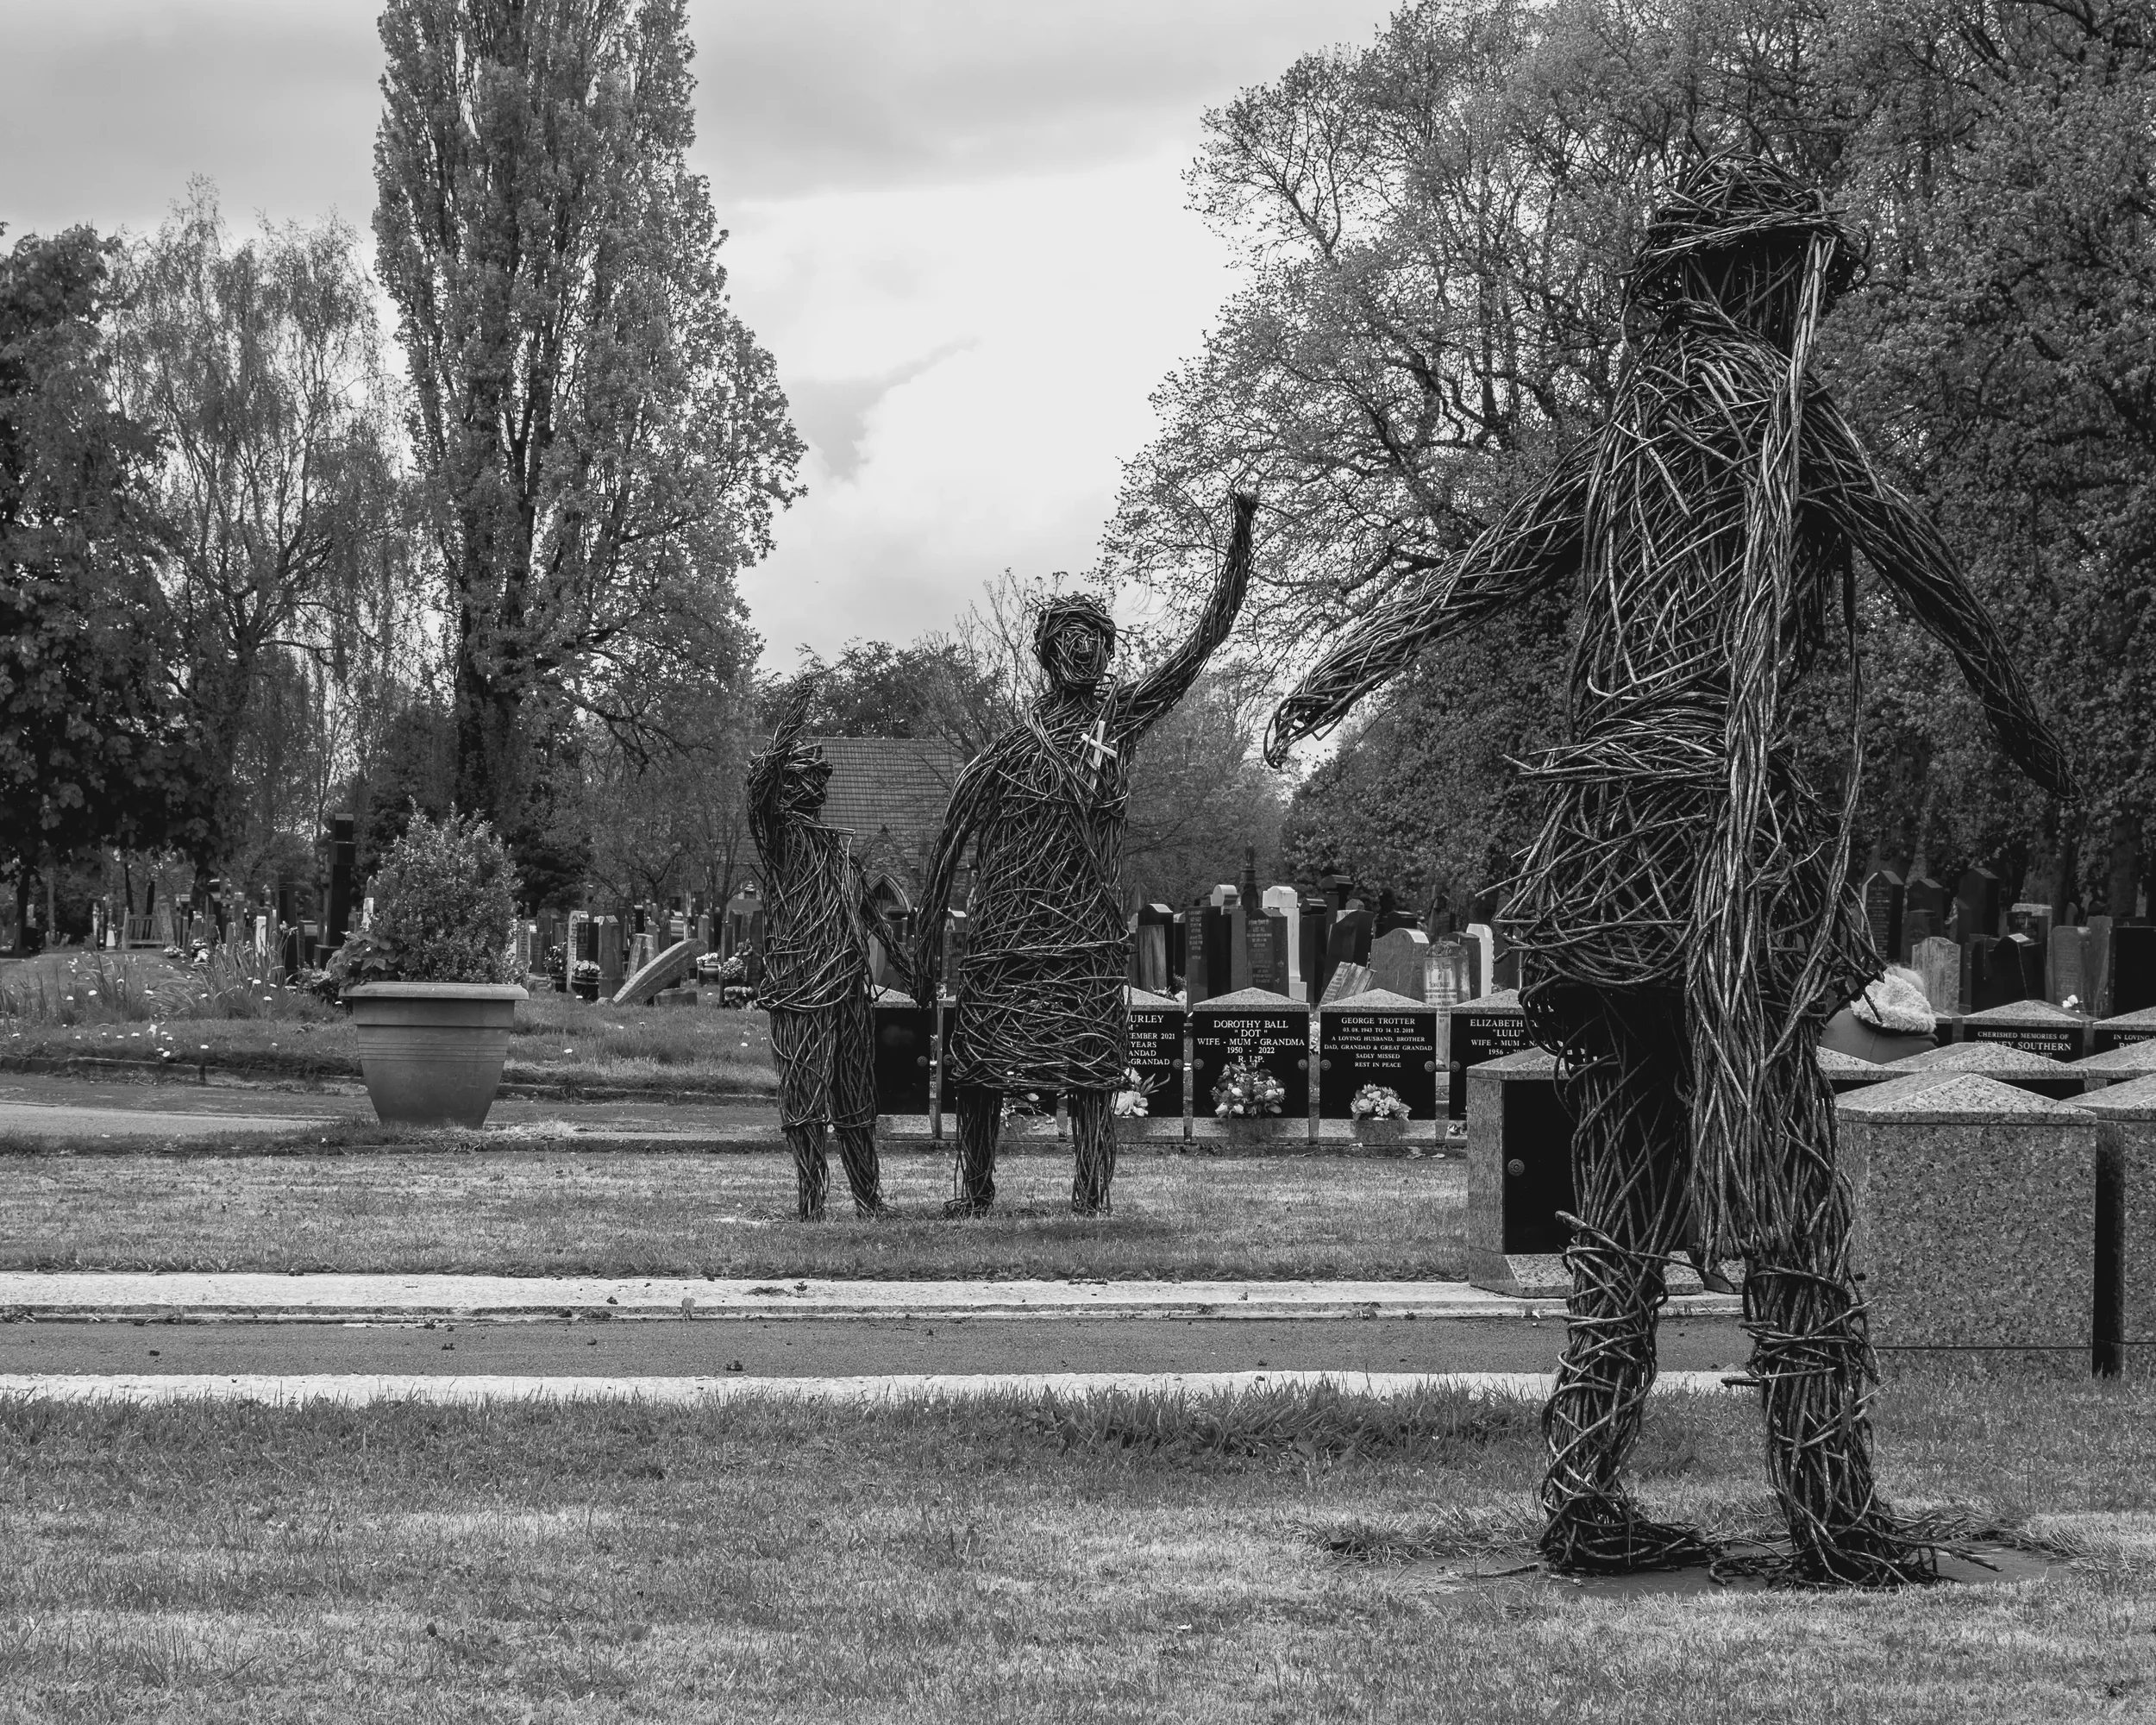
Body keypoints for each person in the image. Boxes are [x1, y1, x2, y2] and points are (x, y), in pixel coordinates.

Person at [1266, 156, 2071, 1584]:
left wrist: (1340, 669)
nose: (1801, 304)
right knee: (1791, 1170)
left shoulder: (1628, 438)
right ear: (1739, 276)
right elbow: (1917, 560)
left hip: (1607, 846)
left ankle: (1586, 1491)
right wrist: (2018, 715)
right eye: (1788, 277)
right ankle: (1830, 1503)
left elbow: (1489, 567)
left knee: (1629, 1162)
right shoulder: (1781, 414)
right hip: (1724, 849)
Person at [914, 495, 1257, 1216]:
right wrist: (922, 959)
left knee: (1093, 1071)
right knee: (982, 1070)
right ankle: (975, 1191)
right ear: (1048, 651)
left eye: (1094, 638)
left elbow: (1199, 647)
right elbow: (948, 844)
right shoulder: (1007, 754)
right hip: (1007, 938)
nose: (1081, 648)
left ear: (1106, 651)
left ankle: (1091, 1194)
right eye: (1069, 637)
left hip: (1084, 940)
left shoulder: (1118, 724)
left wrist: (1240, 538)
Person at [745, 686, 896, 1220]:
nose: (813, 785)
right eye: (799, 777)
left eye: (817, 777)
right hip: (801, 989)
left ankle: (869, 1200)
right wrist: (789, 725)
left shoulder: (838, 850)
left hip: (847, 988)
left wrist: (909, 965)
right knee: (805, 1099)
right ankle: (810, 1202)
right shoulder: (781, 841)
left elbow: (870, 915)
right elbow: (759, 788)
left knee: (855, 1100)